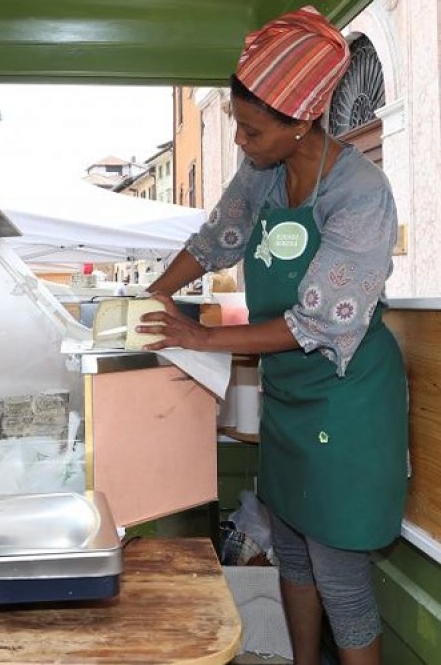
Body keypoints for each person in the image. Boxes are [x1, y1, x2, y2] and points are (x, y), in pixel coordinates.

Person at [140, 7, 407, 665]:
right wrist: (155, 293)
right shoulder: (262, 173)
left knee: (340, 576)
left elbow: (317, 322)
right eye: (236, 121)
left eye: (253, 128)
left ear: (302, 121)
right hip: (290, 401)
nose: (240, 140)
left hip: (348, 405)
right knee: (290, 547)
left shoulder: (360, 193)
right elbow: (216, 239)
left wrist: (200, 339)